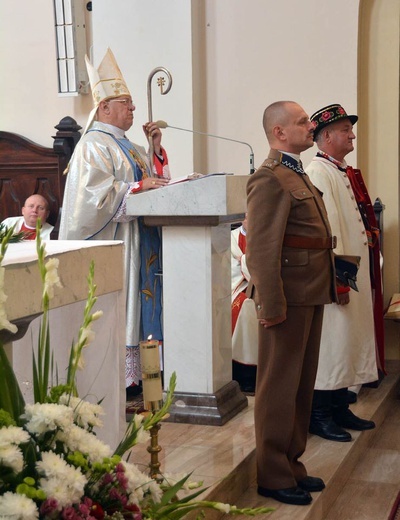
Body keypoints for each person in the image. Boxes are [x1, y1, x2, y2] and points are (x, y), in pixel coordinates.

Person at [59, 48, 170, 391]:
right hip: (118, 244)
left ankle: (142, 379)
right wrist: (136, 185)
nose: (133, 108)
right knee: (122, 307)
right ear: (104, 108)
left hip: (140, 241)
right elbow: (89, 200)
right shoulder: (93, 144)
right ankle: (120, 381)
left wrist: (155, 150)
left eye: (133, 103)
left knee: (140, 305)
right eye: (126, 102)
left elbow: (154, 183)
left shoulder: (130, 146)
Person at [246, 101, 337, 506]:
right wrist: (271, 303)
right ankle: (272, 473)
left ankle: (291, 464)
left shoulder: (294, 172)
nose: (310, 125)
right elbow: (261, 251)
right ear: (279, 132)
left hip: (310, 291)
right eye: (302, 122)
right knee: (278, 388)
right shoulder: (268, 178)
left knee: (301, 387)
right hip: (288, 297)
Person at [306, 104, 381, 442]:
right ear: (326, 137)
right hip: (338, 273)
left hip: (352, 270)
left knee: (346, 341)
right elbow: (329, 227)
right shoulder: (319, 171)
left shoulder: (338, 169)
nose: (351, 134)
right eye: (344, 129)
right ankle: (319, 414)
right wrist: (338, 275)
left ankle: (339, 407)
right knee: (332, 343)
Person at [231, 214, 258, 393]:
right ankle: (243, 373)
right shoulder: (230, 238)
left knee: (250, 305)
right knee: (243, 306)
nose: (250, 219)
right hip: (236, 286)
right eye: (246, 216)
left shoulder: (266, 235)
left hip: (262, 286)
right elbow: (227, 267)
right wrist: (245, 263)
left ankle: (256, 371)